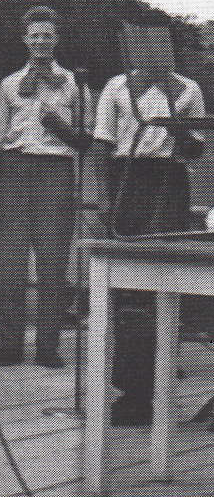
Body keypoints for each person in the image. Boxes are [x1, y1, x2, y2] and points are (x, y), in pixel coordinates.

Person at [85, 33, 205, 425]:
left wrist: (174, 115)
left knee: (163, 279)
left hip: (169, 181)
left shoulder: (188, 89)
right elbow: (102, 144)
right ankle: (131, 391)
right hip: (128, 178)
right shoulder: (117, 86)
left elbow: (195, 150)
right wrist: (104, 198)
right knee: (127, 286)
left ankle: (158, 384)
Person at [0, 6, 91, 368]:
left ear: (57, 39)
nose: (41, 41)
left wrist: (59, 127)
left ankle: (48, 346)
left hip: (56, 170)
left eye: (47, 35)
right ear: (24, 40)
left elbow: (85, 139)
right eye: (34, 35)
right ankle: (10, 345)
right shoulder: (8, 84)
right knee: (11, 263)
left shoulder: (74, 84)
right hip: (15, 170)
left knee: (53, 262)